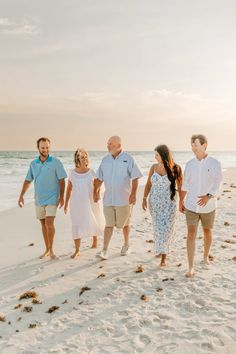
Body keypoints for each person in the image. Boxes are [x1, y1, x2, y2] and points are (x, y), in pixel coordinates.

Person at [179, 134, 222, 278]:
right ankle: (191, 267)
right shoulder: (190, 164)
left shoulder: (214, 163)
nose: (193, 147)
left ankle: (205, 256)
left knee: (207, 232)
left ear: (204, 145)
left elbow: (217, 183)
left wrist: (208, 196)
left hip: (209, 206)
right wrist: (181, 201)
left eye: (195, 144)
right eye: (191, 145)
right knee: (191, 233)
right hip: (191, 205)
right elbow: (185, 184)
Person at [94, 136, 143, 260]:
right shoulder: (105, 160)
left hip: (124, 199)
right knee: (109, 224)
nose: (108, 146)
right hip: (108, 199)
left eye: (111, 144)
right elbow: (99, 178)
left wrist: (133, 194)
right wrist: (96, 190)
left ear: (119, 146)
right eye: (108, 143)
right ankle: (104, 250)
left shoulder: (128, 159)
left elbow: (136, 177)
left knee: (125, 224)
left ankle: (126, 245)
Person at [18, 137, 67, 259]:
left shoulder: (56, 162)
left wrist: (61, 197)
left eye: (47, 147)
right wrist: (21, 196)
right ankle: (47, 249)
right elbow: (28, 180)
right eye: (43, 148)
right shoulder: (33, 164)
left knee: (50, 223)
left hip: (52, 198)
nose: (45, 150)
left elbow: (62, 180)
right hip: (39, 199)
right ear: (38, 148)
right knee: (43, 224)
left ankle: (51, 250)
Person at [142, 145, 182, 267]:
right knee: (158, 228)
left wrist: (182, 203)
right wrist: (144, 198)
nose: (155, 157)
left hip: (169, 204)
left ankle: (163, 257)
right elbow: (148, 184)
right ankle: (160, 250)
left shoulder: (176, 168)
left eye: (157, 155)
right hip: (155, 203)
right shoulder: (153, 167)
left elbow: (181, 187)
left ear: (163, 155)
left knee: (166, 229)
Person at [64, 148, 104, 258]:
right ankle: (77, 250)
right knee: (76, 224)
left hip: (90, 201)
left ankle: (95, 240)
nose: (84, 158)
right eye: (82, 157)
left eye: (86, 156)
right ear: (77, 158)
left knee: (93, 219)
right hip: (76, 202)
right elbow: (69, 189)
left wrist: (97, 195)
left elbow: (97, 185)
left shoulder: (91, 171)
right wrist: (66, 203)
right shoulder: (72, 173)